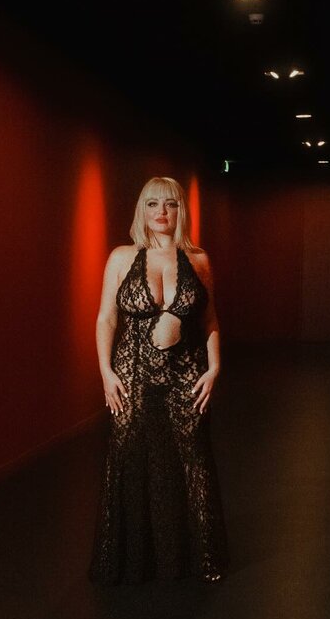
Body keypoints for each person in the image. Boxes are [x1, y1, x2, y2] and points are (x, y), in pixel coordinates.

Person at [88, 176, 228, 584]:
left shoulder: (198, 259)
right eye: (152, 204)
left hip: (186, 375)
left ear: (180, 210)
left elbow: (210, 320)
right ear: (142, 210)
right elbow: (106, 318)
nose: (161, 212)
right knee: (131, 458)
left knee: (191, 459)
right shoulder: (122, 257)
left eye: (170, 204)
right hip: (131, 374)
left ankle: (192, 558)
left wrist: (214, 369)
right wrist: (105, 371)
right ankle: (134, 560)